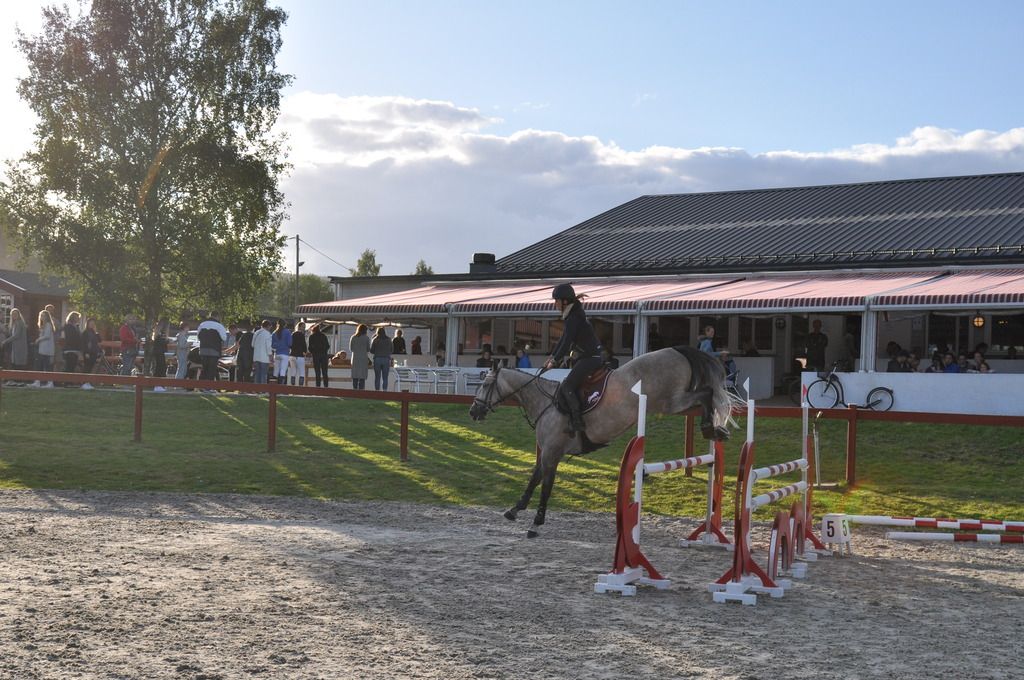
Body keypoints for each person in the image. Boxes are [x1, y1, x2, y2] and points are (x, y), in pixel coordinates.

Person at [544, 283, 601, 436]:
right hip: (589, 357)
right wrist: (552, 357)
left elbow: (567, 342)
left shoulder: (574, 317)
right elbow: (563, 340)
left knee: (566, 386)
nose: (554, 304)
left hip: (590, 358)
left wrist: (554, 362)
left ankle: (577, 422)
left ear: (565, 301)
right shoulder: (573, 315)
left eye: (556, 300)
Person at [197, 313, 228, 382]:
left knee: (204, 368)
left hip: (203, 349)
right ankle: (209, 387)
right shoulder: (219, 326)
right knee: (212, 369)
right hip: (214, 350)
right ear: (217, 316)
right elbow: (224, 338)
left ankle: (201, 385)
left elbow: (198, 337)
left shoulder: (202, 324)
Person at [1, 308, 28, 385]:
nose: (14, 315)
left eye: (15, 314)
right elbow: (10, 333)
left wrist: (5, 341)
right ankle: (15, 380)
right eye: (12, 314)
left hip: (19, 347)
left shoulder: (19, 323)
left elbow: (16, 335)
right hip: (15, 347)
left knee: (18, 364)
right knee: (15, 363)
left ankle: (19, 381)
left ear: (19, 315)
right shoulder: (14, 323)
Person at [32, 309, 56, 387]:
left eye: (44, 316)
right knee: (40, 365)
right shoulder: (42, 325)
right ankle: (38, 381)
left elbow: (47, 336)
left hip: (47, 349)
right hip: (42, 349)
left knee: (47, 366)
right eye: (41, 316)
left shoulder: (48, 325)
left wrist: (38, 339)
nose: (42, 317)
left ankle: (50, 382)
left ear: (47, 317)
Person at [81, 318, 102, 389]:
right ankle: (84, 383)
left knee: (91, 368)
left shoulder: (94, 332)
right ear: (88, 324)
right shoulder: (85, 332)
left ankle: (88, 382)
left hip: (94, 352)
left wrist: (96, 331)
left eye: (93, 323)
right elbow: (83, 343)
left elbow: (99, 340)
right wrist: (86, 352)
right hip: (88, 353)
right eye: (91, 323)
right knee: (87, 367)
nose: (92, 324)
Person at [308, 323, 331, 388]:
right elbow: (328, 346)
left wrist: (313, 352)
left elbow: (310, 348)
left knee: (317, 372)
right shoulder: (323, 336)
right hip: (324, 355)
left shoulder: (311, 336)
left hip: (316, 356)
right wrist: (324, 351)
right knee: (325, 372)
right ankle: (326, 386)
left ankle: (318, 386)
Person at [252, 319, 274, 385]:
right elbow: (268, 346)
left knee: (257, 374)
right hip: (264, 358)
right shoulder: (267, 334)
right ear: (268, 326)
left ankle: (256, 389)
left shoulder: (256, 332)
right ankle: (263, 390)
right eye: (270, 327)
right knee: (263, 374)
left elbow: (252, 344)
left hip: (256, 357)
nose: (270, 328)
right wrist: (271, 356)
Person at [370, 326, 392, 390]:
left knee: (377, 377)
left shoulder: (375, 340)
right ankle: (384, 391)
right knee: (385, 377)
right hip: (386, 359)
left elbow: (371, 350)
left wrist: (377, 351)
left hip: (377, 359)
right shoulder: (389, 340)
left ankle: (377, 391)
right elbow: (391, 350)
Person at [62, 311, 83, 378]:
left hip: (75, 349)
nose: (78, 319)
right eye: (77, 318)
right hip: (70, 349)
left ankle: (70, 381)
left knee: (73, 366)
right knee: (69, 366)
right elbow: (70, 338)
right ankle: (66, 381)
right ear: (73, 318)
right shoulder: (68, 326)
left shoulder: (76, 327)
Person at [349, 324, 370, 390]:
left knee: (355, 375)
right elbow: (368, 349)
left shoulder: (353, 337)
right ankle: (361, 391)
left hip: (355, 358)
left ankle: (354, 390)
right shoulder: (366, 338)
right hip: (363, 358)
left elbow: (351, 348)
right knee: (362, 376)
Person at [271, 320, 292, 385]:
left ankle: (273, 388)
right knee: (283, 371)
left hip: (277, 354)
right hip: (285, 353)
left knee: (275, 371)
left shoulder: (274, 333)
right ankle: (280, 388)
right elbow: (290, 343)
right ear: (285, 325)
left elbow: (272, 345)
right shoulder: (287, 332)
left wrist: (278, 345)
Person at [289, 321, 308, 386]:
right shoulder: (301, 335)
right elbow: (304, 345)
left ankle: (293, 388)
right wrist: (305, 352)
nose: (304, 328)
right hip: (299, 355)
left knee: (293, 372)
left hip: (292, 355)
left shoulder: (293, 334)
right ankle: (300, 389)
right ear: (299, 327)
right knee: (302, 372)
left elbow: (290, 345)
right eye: (303, 327)